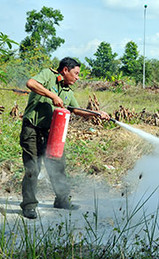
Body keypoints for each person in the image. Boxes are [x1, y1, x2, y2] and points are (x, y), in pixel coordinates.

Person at [20, 57, 110, 219]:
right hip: (32, 129)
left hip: (52, 132)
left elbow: (76, 110)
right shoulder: (48, 75)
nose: (77, 77)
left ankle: (62, 200)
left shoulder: (68, 92)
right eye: (75, 73)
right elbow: (31, 84)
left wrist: (97, 114)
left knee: (58, 166)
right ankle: (29, 205)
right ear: (65, 70)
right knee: (32, 168)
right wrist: (52, 95)